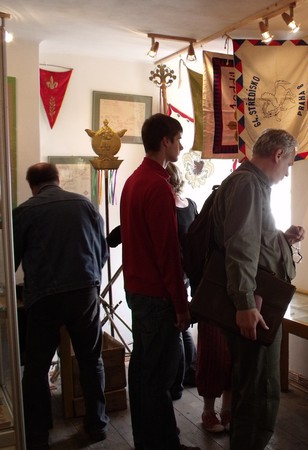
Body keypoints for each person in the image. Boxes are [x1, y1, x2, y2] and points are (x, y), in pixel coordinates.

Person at [211, 128, 305, 449]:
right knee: (260, 389)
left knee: (252, 384)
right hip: (255, 304)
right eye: (289, 164)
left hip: (255, 300)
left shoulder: (248, 183)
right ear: (278, 154)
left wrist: (281, 238)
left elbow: (252, 238)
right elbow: (240, 246)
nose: (287, 172)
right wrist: (245, 303)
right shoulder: (249, 185)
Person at [13, 163, 109, 448]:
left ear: (32, 185)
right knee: (91, 360)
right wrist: (91, 281)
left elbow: (11, 259)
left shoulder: (24, 211)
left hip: (44, 297)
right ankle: (97, 425)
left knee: (36, 367)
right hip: (84, 292)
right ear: (57, 179)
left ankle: (38, 434)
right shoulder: (85, 205)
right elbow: (101, 251)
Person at [120, 113, 199, 450]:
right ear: (164, 141)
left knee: (143, 371)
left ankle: (146, 441)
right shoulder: (157, 186)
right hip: (156, 294)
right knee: (159, 378)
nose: (181, 145)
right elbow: (167, 253)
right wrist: (181, 306)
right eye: (178, 139)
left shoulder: (134, 180)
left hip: (138, 289)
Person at [165, 162, 198, 400]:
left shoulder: (168, 206)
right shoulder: (190, 204)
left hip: (172, 270)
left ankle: (176, 383)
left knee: (175, 327)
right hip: (188, 270)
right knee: (181, 324)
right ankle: (191, 371)